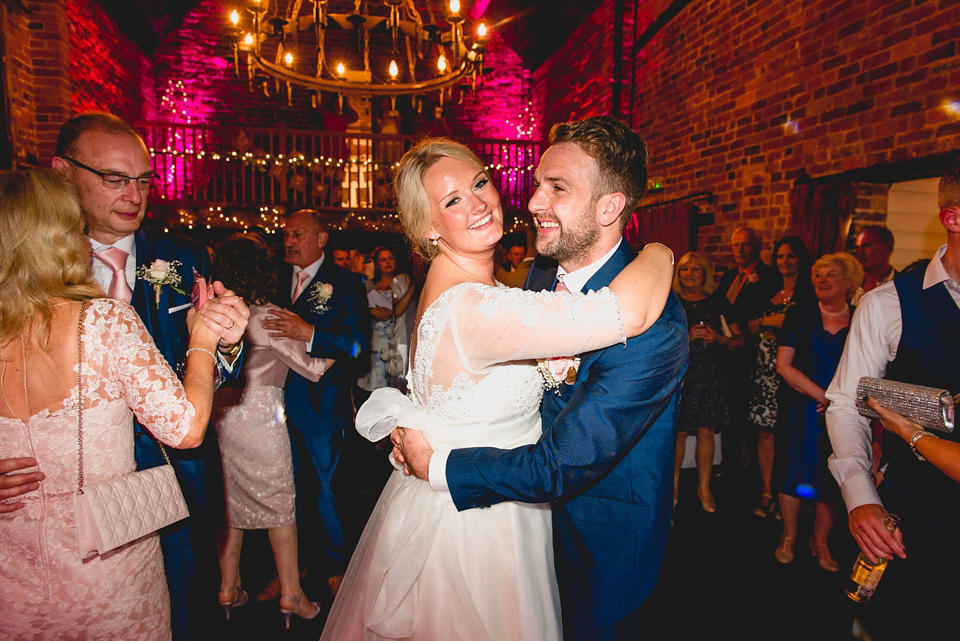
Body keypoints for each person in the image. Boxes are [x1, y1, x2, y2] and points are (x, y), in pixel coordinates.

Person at [320, 134, 677, 640]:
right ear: (427, 229)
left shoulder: (502, 288)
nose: (482, 202)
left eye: (479, 182)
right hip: (481, 524)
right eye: (452, 201)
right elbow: (625, 312)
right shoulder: (477, 307)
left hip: (562, 525)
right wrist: (661, 251)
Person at [47, 112, 249, 640]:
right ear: (63, 172)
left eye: (143, 180)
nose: (134, 194)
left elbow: (213, 370)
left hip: (173, 476)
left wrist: (226, 345)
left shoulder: (181, 256)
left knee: (184, 615)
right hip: (68, 491)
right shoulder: (33, 264)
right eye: (114, 179)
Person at [0, 169, 222, 639]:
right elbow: (186, 429)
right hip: (106, 567)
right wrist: (202, 341)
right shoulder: (102, 320)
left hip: (11, 574)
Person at [825, 160, 960, 640]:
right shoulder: (890, 303)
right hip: (920, 510)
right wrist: (860, 497)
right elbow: (846, 402)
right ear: (953, 218)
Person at [210, 237, 331, 627]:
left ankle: (228, 587)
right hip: (262, 419)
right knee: (280, 505)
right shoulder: (269, 316)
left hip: (220, 418)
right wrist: (328, 339)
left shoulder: (211, 313)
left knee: (228, 504)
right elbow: (313, 368)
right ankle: (292, 596)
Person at [261, 209, 369, 599]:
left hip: (322, 405)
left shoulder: (344, 283)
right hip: (270, 404)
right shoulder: (271, 278)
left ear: (321, 239)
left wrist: (310, 332)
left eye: (298, 234)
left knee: (327, 489)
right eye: (286, 234)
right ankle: (291, 569)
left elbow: (359, 346)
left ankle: (337, 565)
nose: (288, 241)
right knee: (282, 490)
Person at [774, 253, 862, 571]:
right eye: (818, 275)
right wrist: (823, 396)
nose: (822, 281)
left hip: (846, 412)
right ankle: (789, 537)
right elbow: (783, 365)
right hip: (803, 407)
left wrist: (841, 401)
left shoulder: (860, 317)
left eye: (831, 275)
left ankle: (820, 542)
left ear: (849, 282)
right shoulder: (801, 314)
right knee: (794, 472)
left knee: (832, 478)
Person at [745, 236, 814, 517]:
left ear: (801, 259)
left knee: (790, 433)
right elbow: (749, 325)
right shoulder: (767, 290)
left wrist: (771, 326)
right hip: (763, 372)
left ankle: (788, 493)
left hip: (794, 372)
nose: (785, 261)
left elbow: (802, 328)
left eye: (791, 256)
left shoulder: (808, 293)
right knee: (765, 434)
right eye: (781, 256)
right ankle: (766, 490)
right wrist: (768, 323)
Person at [673, 251, 744, 513]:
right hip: (682, 376)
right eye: (684, 269)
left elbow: (740, 341)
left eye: (695, 269)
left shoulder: (719, 302)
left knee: (706, 431)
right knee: (678, 434)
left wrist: (719, 339)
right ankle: (674, 488)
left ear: (705, 274)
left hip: (713, 376)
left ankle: (704, 488)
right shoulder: (672, 303)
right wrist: (688, 337)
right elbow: (658, 343)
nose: (689, 274)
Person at [357, 246, 411, 398]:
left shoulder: (404, 282)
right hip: (376, 339)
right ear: (377, 264)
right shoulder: (369, 286)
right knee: (375, 389)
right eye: (382, 259)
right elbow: (356, 312)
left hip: (399, 337)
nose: (387, 262)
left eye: (390, 258)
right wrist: (372, 312)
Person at [851, 225, 897, 304]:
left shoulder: (900, 286)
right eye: (857, 247)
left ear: (887, 249)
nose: (859, 252)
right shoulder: (847, 285)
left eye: (866, 246)